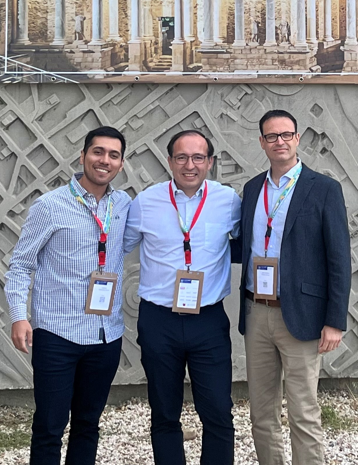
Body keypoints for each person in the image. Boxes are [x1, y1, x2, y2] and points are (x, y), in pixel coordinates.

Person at [5, 125, 132, 465]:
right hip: (57, 334)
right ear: (83, 156)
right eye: (98, 152)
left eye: (114, 155)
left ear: (121, 163)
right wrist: (18, 316)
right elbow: (20, 265)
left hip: (106, 335)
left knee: (88, 425)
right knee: (49, 427)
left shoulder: (123, 205)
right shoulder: (50, 206)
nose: (104, 160)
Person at [238, 109, 352, 465]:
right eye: (272, 136)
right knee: (261, 413)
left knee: (303, 411)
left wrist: (334, 321)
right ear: (262, 142)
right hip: (256, 312)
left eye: (286, 134)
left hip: (302, 315)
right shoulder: (252, 189)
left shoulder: (325, 189)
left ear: (297, 139)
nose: (280, 141)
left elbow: (339, 259)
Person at [124, 130, 241, 465]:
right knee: (164, 412)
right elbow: (118, 247)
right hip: (158, 320)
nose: (190, 165)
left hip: (208, 320)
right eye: (182, 157)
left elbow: (248, 243)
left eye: (198, 157)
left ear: (210, 162)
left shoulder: (228, 201)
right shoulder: (146, 202)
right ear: (170, 161)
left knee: (218, 411)